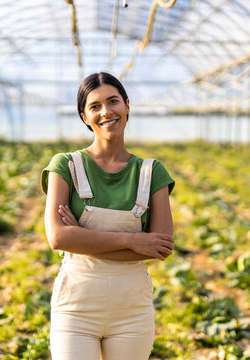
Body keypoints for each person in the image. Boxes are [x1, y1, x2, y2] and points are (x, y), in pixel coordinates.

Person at [41, 72, 175, 360]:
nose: (106, 112)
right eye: (95, 106)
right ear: (84, 116)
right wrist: (134, 241)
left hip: (132, 313)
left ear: (127, 105)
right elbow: (58, 237)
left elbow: (161, 246)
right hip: (75, 310)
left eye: (113, 101)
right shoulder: (65, 166)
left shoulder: (152, 172)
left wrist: (84, 240)